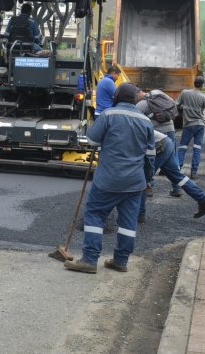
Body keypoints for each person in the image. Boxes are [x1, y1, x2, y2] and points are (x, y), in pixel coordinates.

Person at [65, 82, 153, 274]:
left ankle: (89, 260)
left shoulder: (109, 115)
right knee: (128, 222)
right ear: (134, 99)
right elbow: (150, 155)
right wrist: (147, 180)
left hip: (109, 178)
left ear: (116, 97)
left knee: (95, 213)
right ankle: (120, 261)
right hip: (135, 182)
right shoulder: (146, 121)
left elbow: (91, 140)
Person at [139, 129, 205, 223]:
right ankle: (204, 200)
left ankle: (140, 215)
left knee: (142, 179)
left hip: (159, 145)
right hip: (166, 142)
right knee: (177, 177)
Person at [135, 88, 179, 194]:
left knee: (151, 159)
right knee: (172, 158)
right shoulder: (158, 93)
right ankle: (177, 187)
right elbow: (173, 105)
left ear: (137, 95)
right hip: (170, 129)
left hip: (157, 134)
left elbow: (135, 121)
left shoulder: (141, 104)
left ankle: (148, 186)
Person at [176, 76, 205, 179]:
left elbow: (177, 104)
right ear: (202, 85)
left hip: (188, 125)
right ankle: (194, 172)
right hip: (200, 125)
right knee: (197, 148)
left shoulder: (185, 93)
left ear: (194, 83)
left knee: (183, 147)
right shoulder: (204, 97)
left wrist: (184, 107)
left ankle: (178, 169)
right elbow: (201, 110)